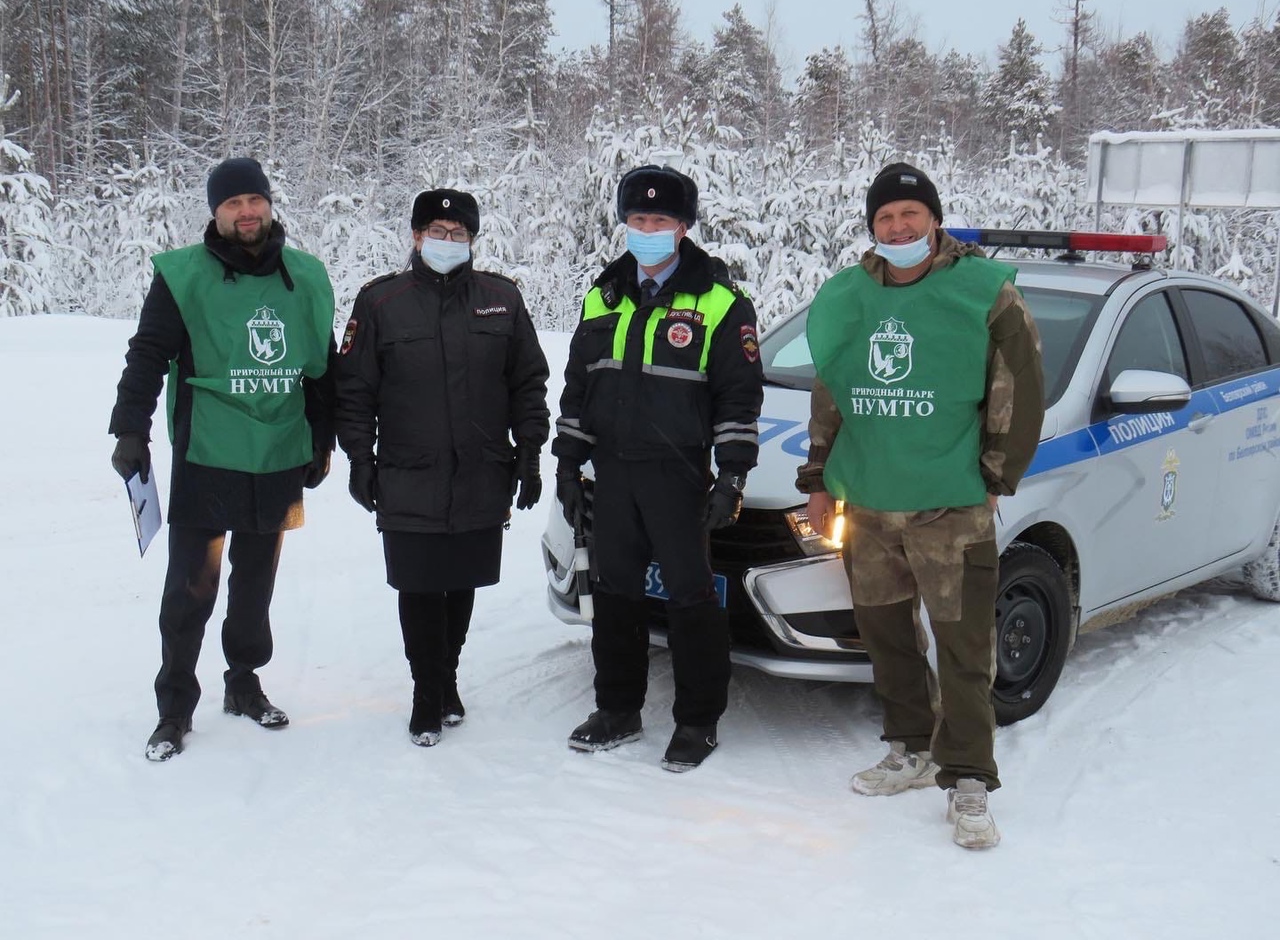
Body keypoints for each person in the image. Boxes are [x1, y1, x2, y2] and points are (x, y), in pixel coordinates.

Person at [796, 161, 1044, 848]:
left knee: (963, 645)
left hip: (949, 507)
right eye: (885, 218)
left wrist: (995, 478)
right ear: (872, 228)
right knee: (887, 636)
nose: (898, 227)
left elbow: (1019, 389)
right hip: (869, 503)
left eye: (910, 214)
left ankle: (968, 779)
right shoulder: (849, 296)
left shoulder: (983, 292)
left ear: (933, 219)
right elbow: (832, 391)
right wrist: (818, 479)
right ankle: (911, 745)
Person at [109, 156, 337, 762]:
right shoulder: (182, 275)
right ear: (215, 211)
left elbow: (322, 367)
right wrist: (129, 428)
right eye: (232, 203)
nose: (245, 212)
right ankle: (174, 708)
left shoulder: (305, 276)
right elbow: (147, 353)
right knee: (190, 588)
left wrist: (324, 437)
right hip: (207, 449)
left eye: (253, 200)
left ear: (268, 203)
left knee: (256, 582)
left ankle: (244, 684)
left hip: (280, 447)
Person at [553, 164, 764, 772]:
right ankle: (617, 709)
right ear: (625, 223)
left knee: (690, 597)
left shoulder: (720, 302)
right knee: (614, 592)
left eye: (661, 220)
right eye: (638, 219)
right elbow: (579, 387)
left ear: (684, 227)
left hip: (678, 475)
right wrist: (568, 463)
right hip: (613, 473)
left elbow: (738, 399)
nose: (648, 229)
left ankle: (697, 722)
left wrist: (731, 477)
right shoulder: (605, 295)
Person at [333, 189, 549, 748]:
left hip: (481, 471)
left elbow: (527, 382)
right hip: (409, 471)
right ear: (414, 235)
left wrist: (529, 455)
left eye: (458, 233)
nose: (447, 241)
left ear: (473, 240)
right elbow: (354, 388)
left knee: (461, 581)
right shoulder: (381, 302)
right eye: (436, 230)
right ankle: (426, 693)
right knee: (419, 585)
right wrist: (360, 457)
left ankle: (446, 676)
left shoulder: (502, 299)